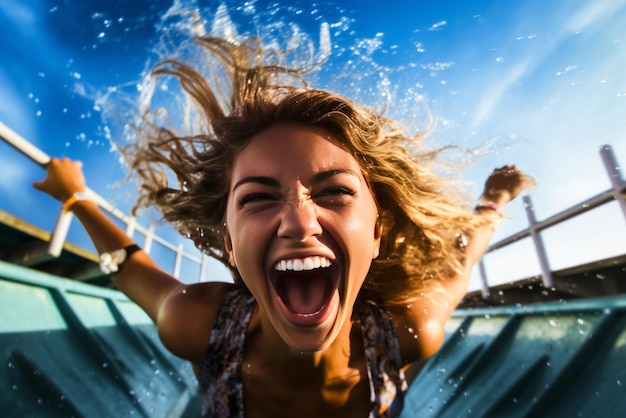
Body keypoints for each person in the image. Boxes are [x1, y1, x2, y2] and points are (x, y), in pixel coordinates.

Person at [33, 35, 534, 418]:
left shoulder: (408, 333)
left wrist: (493, 200)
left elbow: (459, 262)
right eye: (256, 198)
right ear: (229, 245)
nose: (298, 221)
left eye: (335, 191)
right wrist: (74, 196)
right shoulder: (199, 326)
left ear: (377, 232)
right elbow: (127, 266)